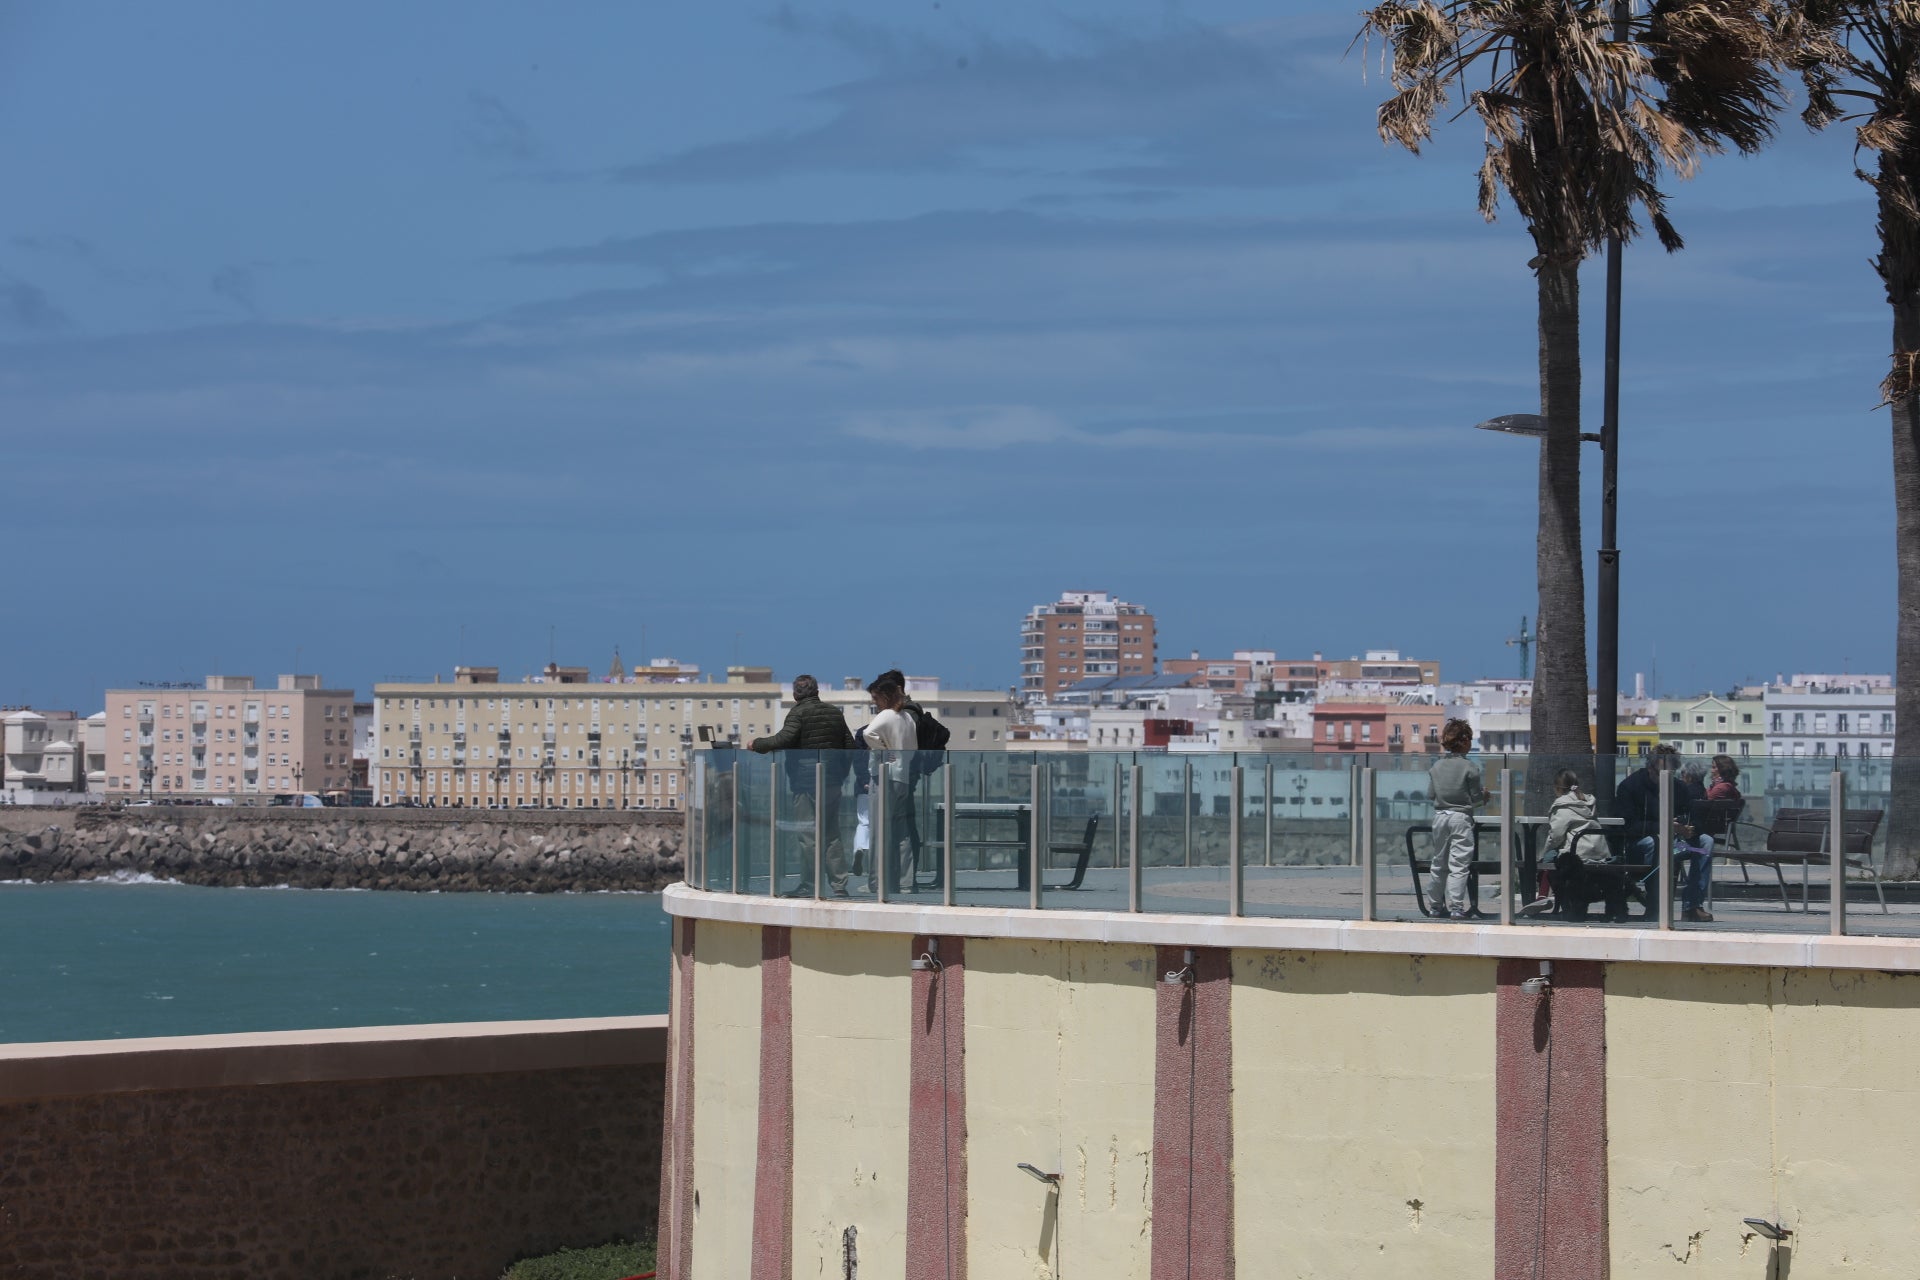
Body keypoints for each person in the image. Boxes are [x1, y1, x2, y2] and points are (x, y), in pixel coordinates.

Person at [748, 674, 855, 897]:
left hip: (806, 784)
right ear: (816, 691)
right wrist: (841, 774)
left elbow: (783, 739)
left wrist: (756, 744)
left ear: (796, 693)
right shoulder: (835, 713)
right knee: (832, 834)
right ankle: (839, 885)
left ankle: (809, 884)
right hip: (833, 782)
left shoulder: (798, 712)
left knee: (808, 836)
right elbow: (850, 747)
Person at [1543, 769, 1629, 922]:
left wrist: (1544, 852)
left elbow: (1555, 836)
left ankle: (1556, 903)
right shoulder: (1588, 802)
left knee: (1546, 860)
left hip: (1576, 856)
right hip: (1600, 854)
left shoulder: (1562, 806)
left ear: (1557, 788)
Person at [1425, 719, 1489, 919]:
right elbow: (1476, 800)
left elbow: (1430, 795)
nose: (1471, 742)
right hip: (1460, 817)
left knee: (1438, 862)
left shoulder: (1435, 767)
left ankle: (1435, 906)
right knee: (1459, 864)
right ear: (1463, 741)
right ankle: (1456, 907)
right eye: (1469, 738)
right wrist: (1484, 797)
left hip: (1440, 817)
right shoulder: (1470, 768)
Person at [862, 677, 919, 894]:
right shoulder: (907, 719)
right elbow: (913, 750)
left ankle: (877, 882)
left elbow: (868, 734)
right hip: (902, 777)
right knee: (901, 831)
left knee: (878, 831)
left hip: (884, 776)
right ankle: (905, 881)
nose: (874, 703)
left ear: (884, 697)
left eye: (876, 698)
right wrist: (898, 757)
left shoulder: (886, 715)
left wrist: (883, 749)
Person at [1674, 755, 1743, 923]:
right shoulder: (1706, 791)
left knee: (1703, 845)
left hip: (1681, 846)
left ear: (1686, 776)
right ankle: (1692, 905)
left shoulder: (1711, 790)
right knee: (1704, 846)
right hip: (1679, 846)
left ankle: (1692, 905)